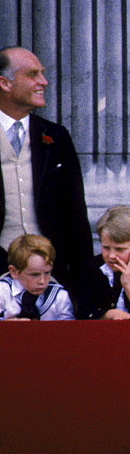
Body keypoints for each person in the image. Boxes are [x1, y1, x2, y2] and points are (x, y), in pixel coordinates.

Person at [0, 47, 91, 297]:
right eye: (32, 74)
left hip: (51, 274)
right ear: (4, 83)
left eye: (43, 73)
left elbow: (76, 215)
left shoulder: (56, 137)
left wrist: (84, 284)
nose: (44, 81)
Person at [76, 206, 130, 320]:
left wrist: (129, 287)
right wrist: (109, 314)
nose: (111, 256)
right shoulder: (91, 268)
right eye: (106, 248)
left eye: (119, 249)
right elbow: (83, 312)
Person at [0, 234, 74, 320]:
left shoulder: (60, 296)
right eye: (35, 274)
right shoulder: (3, 291)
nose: (42, 281)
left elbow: (69, 330)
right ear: (14, 272)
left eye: (47, 273)